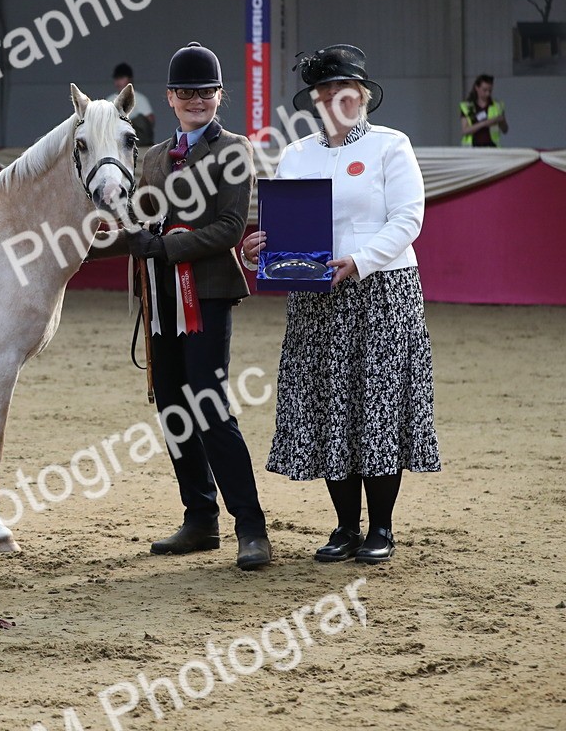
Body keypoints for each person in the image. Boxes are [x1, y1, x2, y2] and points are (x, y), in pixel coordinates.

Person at [241, 44, 441, 564]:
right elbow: (285, 229)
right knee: (330, 404)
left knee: (376, 406)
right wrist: (261, 247)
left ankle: (381, 528)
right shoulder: (296, 154)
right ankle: (344, 527)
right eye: (324, 90)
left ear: (363, 95)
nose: (333, 96)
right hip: (316, 298)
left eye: (343, 88)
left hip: (382, 292)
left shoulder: (391, 146)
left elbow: (408, 219)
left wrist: (361, 259)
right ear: (314, 99)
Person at [91, 42, 271, 570]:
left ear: (220, 97)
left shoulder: (233, 150)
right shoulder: (147, 158)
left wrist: (164, 246)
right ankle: (200, 518)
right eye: (186, 92)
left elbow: (230, 227)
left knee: (210, 406)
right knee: (172, 406)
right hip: (159, 299)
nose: (196, 100)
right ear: (170, 98)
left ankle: (251, 526)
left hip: (208, 293)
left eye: (205, 92)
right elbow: (136, 225)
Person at [108, 63, 155, 146]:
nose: (118, 82)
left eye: (121, 78)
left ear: (130, 79)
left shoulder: (139, 98)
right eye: (116, 79)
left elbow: (149, 121)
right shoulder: (110, 99)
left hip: (137, 141)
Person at [459, 74, 507, 147]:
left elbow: (505, 130)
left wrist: (501, 121)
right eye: (484, 90)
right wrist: (485, 123)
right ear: (477, 88)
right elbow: (465, 130)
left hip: (492, 147)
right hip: (472, 148)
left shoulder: (498, 106)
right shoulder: (467, 107)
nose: (487, 94)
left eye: (490, 91)